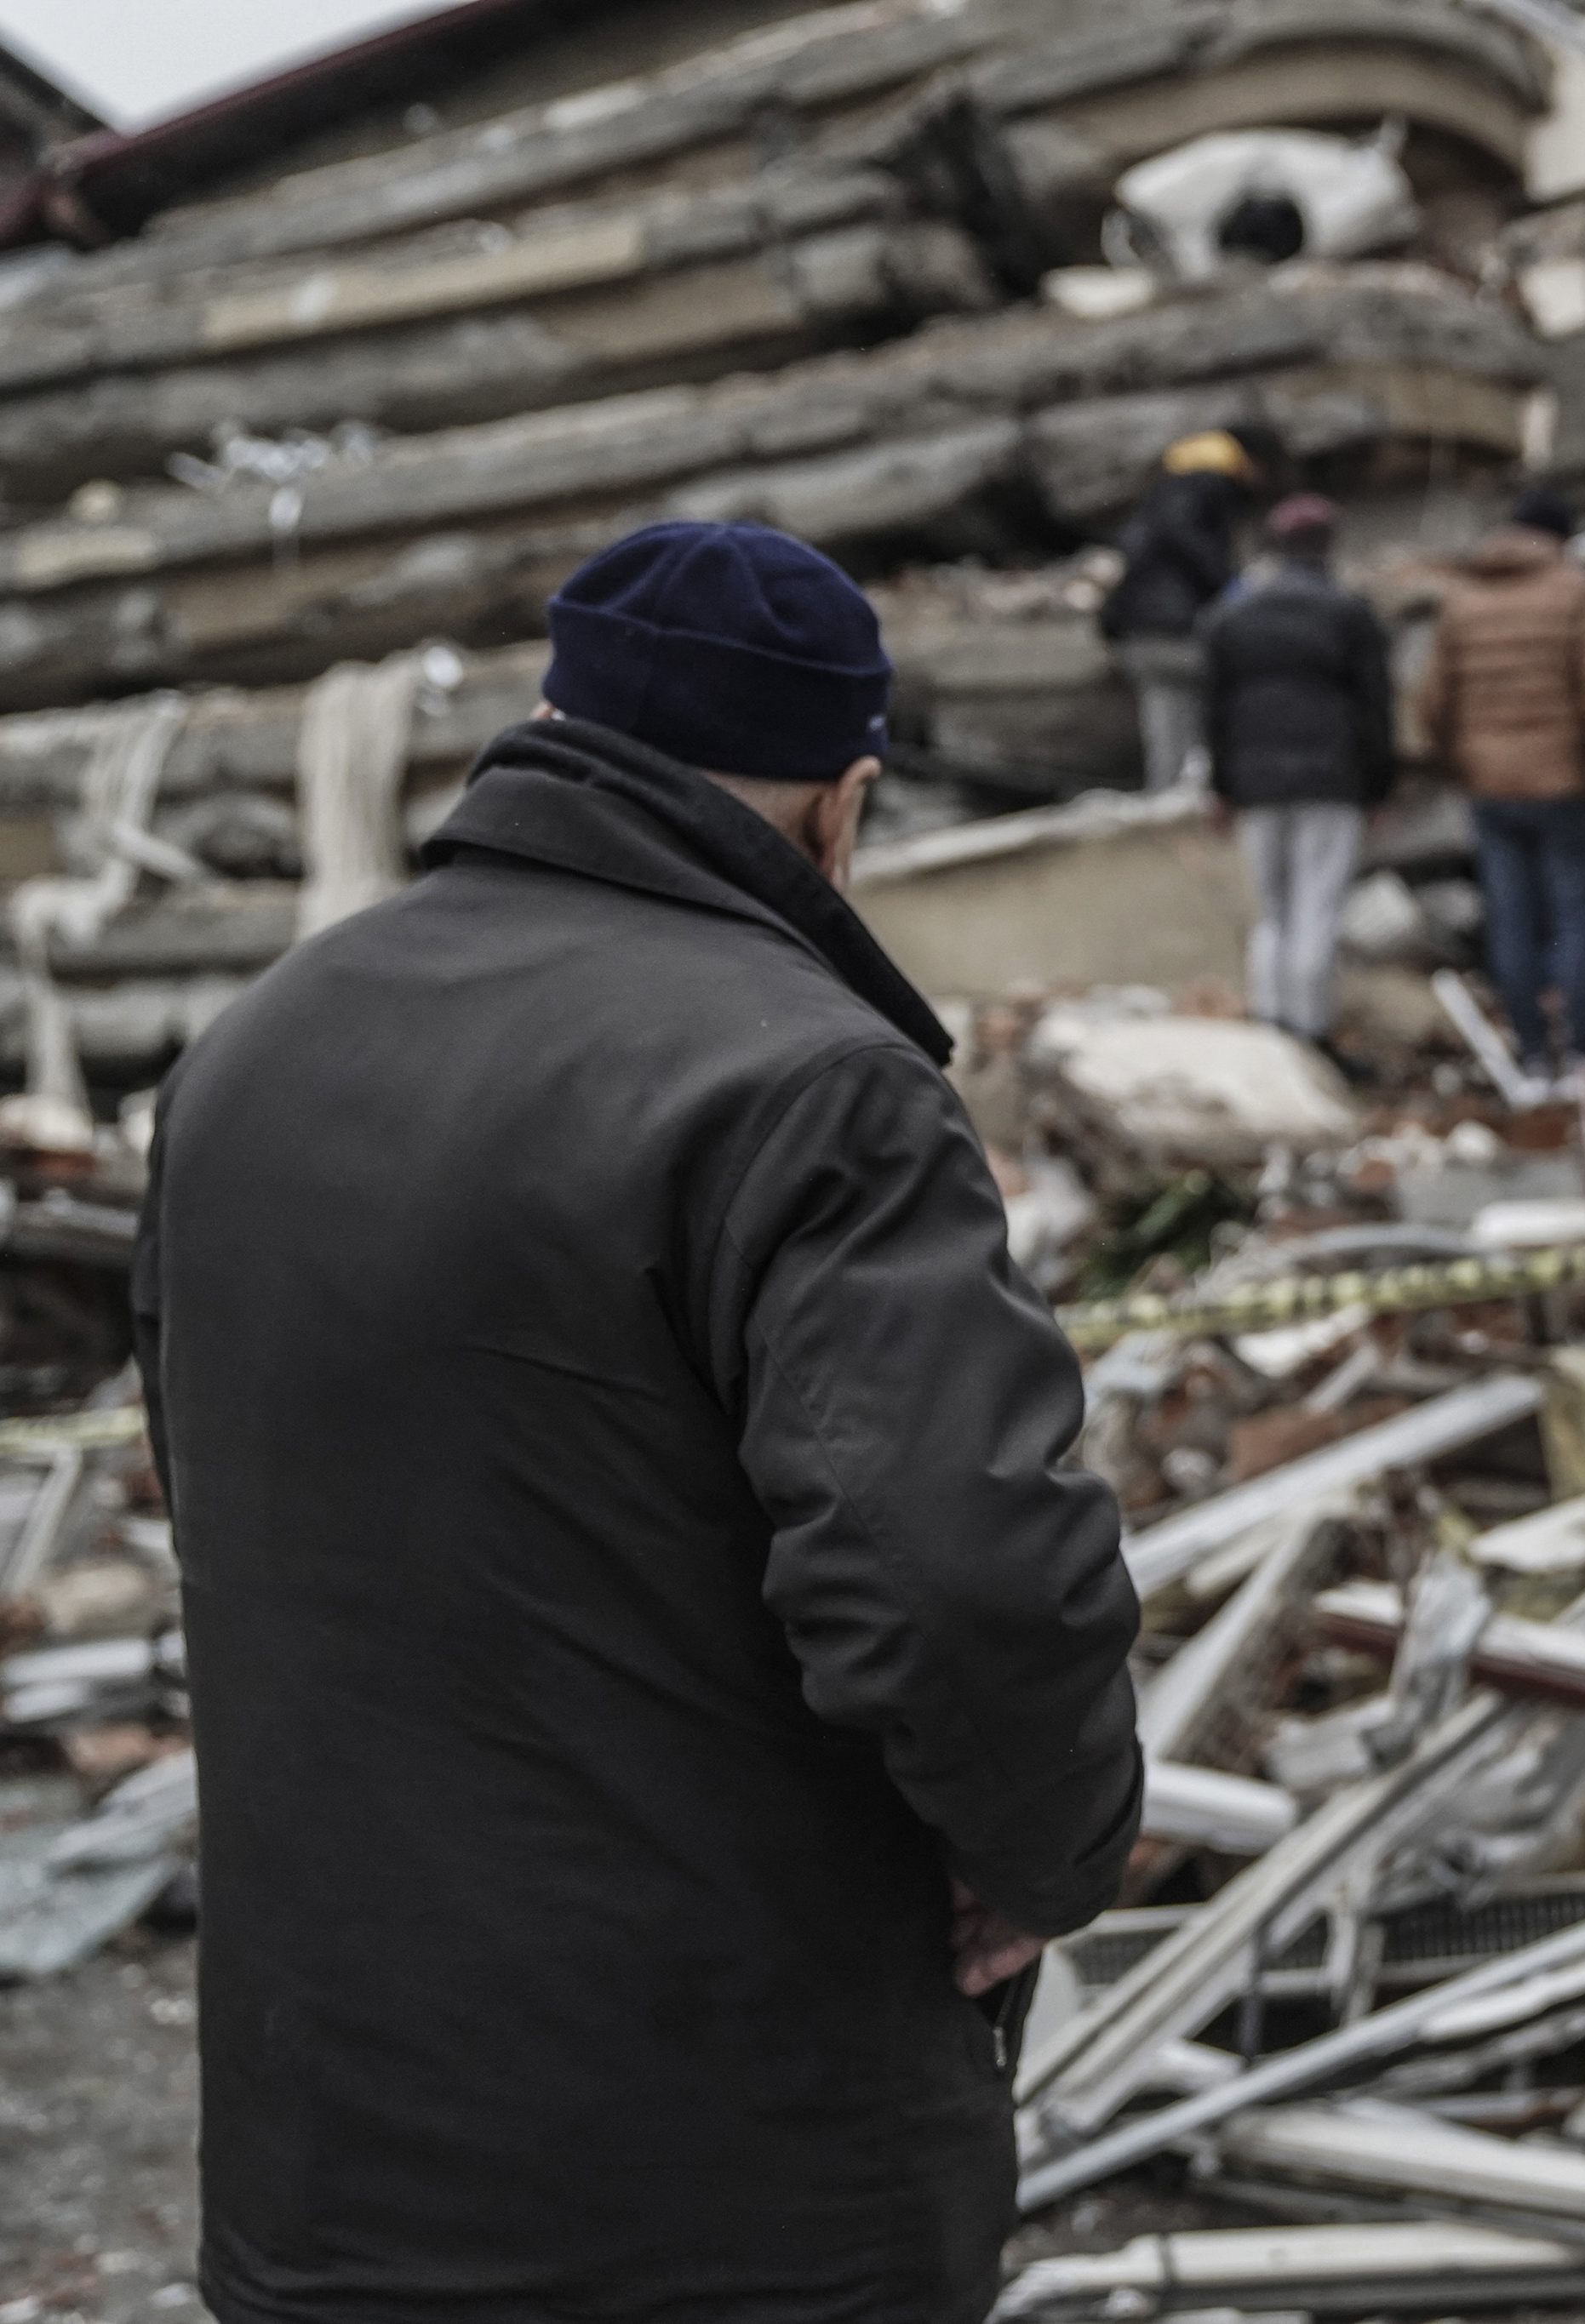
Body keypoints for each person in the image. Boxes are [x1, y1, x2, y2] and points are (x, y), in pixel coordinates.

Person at [134, 521, 1146, 2324]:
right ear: (844, 807)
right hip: (710, 2180)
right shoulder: (810, 1081)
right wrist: (1037, 1850)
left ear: (549, 719)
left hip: (329, 2137)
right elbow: (958, 1580)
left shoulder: (252, 1050)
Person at [1420, 482, 1585, 1080]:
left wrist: (1459, 762)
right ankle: (1583, 1049)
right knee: (1575, 915)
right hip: (1566, 785)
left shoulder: (1461, 598)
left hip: (1490, 787)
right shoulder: (1577, 592)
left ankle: (1533, 1051)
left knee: (1509, 916)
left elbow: (1432, 699)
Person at [1202, 493, 1395, 1051]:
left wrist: (1221, 786)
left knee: (1271, 912)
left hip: (1256, 785)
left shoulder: (1232, 615)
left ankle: (1270, 1023)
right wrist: (1378, 785)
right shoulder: (1348, 614)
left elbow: (1214, 711)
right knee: (1317, 908)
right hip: (1331, 781)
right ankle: (1311, 1030)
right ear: (1328, 545)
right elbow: (1374, 710)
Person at [1100, 428, 1259, 789]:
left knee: (1166, 724)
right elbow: (1195, 547)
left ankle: (1168, 793)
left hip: (1137, 632)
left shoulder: (1153, 504)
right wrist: (1228, 583)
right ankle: (1206, 792)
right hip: (1179, 629)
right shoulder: (1208, 493)